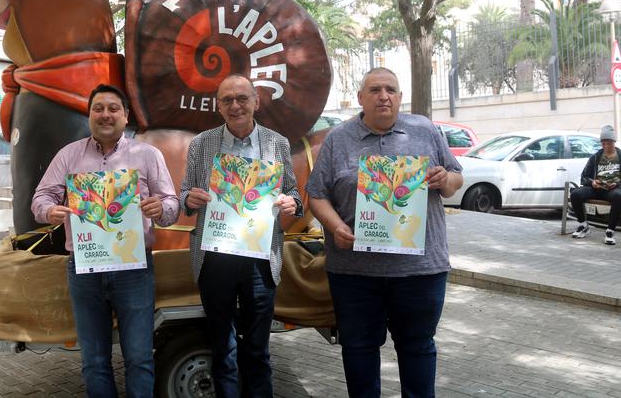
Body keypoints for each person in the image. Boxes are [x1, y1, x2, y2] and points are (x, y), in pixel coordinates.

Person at [305, 67, 463, 398]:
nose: (383, 96)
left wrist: (445, 180)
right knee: (359, 350)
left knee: (418, 348)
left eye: (390, 89)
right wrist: (335, 226)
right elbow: (317, 195)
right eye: (375, 90)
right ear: (361, 98)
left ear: (400, 97)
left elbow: (454, 178)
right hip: (355, 273)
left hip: (419, 271)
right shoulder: (338, 139)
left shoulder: (425, 130)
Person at [31, 84, 178, 398]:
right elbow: (40, 198)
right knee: (95, 360)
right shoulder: (68, 155)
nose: (105, 115)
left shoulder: (147, 154)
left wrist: (161, 208)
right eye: (98, 108)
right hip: (85, 270)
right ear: (89, 115)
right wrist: (49, 210)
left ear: (126, 116)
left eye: (113, 108)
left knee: (139, 358)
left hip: (134, 270)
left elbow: (172, 205)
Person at [181, 73, 303, 397]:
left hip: (260, 261)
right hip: (215, 258)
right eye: (227, 100)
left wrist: (293, 202)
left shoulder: (277, 143)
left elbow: (293, 191)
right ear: (218, 106)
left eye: (242, 98)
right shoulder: (201, 144)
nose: (235, 105)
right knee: (222, 350)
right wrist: (188, 199)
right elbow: (184, 194)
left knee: (258, 352)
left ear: (256, 102)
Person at [571, 125, 621, 245]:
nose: (606, 146)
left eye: (608, 143)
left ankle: (610, 231)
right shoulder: (595, 157)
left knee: (619, 196)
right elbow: (584, 176)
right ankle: (583, 225)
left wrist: (616, 183)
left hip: (612, 190)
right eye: (603, 143)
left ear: (614, 142)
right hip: (596, 188)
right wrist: (592, 182)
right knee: (575, 194)